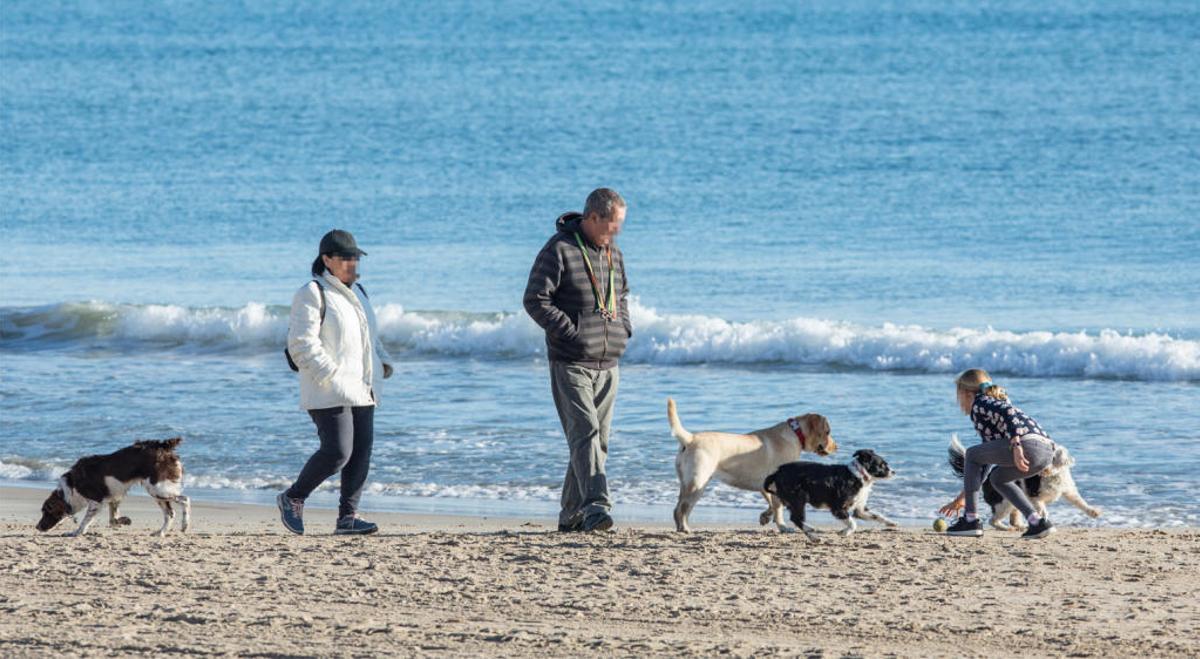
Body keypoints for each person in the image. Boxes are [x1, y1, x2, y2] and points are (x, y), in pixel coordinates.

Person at [523, 188, 632, 532]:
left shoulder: (613, 253)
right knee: (584, 433)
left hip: (609, 362)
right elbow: (535, 299)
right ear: (592, 218)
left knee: (597, 441)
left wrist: (623, 328)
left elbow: (623, 295)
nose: (616, 232)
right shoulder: (559, 249)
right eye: (612, 225)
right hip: (570, 362)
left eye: (620, 226)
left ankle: (571, 515)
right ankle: (597, 507)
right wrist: (571, 333)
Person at [277, 229, 394, 536]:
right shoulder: (312, 292)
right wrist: (330, 375)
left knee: (360, 453)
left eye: (355, 257)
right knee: (338, 452)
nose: (352, 263)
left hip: (364, 386)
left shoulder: (360, 293)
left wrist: (383, 364)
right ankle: (293, 497)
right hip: (328, 389)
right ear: (327, 260)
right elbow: (301, 344)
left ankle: (348, 518)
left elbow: (371, 338)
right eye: (345, 258)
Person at [939, 368, 1057, 539]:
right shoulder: (993, 404)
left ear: (966, 393)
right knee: (998, 478)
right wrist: (963, 497)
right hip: (1046, 453)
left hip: (1026, 446)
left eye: (958, 395)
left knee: (971, 453)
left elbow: (1008, 413)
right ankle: (1037, 522)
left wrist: (1016, 446)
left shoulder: (981, 403)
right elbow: (983, 465)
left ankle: (970, 520)